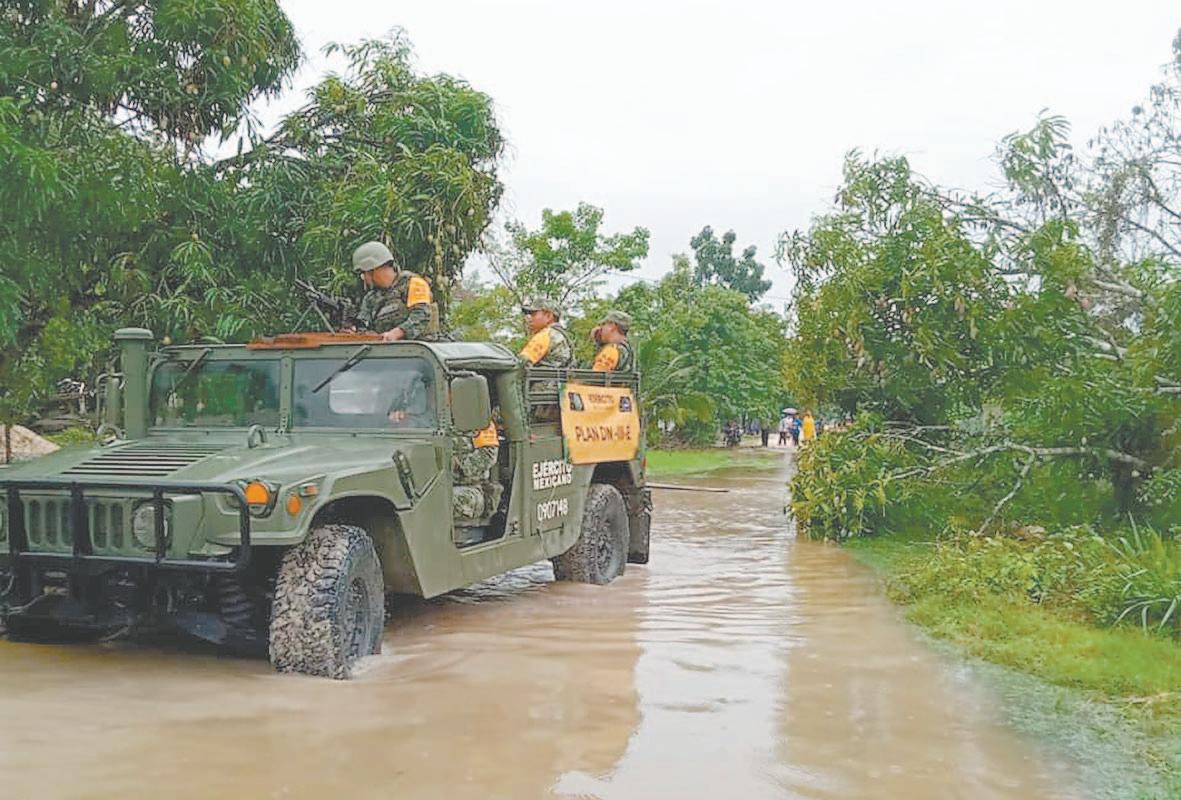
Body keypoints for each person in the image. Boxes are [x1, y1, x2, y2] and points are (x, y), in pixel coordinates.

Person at [351, 241, 432, 342]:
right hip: (385, 349)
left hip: (417, 347)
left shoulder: (413, 283)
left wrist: (397, 333)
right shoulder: (370, 298)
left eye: (364, 273)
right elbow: (363, 323)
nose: (364, 279)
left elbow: (421, 315)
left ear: (373, 269)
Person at [453, 419, 502, 524]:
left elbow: (488, 456)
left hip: (469, 488)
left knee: (439, 501)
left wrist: (456, 465)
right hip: (431, 487)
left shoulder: (480, 421)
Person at [518, 297, 574, 368]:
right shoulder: (563, 336)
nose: (529, 318)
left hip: (541, 375)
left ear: (548, 316)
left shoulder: (544, 335)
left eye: (533, 314)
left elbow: (521, 363)